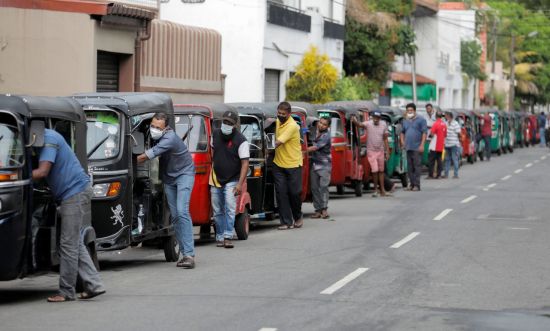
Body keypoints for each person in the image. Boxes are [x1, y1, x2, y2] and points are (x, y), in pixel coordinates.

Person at [33, 128, 105, 302]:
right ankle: (94, 284)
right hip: (73, 192)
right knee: (74, 242)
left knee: (68, 243)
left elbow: (42, 171)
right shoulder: (45, 138)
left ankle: (66, 291)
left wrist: (16, 176)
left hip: (74, 192)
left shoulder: (49, 138)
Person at [137, 113, 196, 268]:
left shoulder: (169, 138)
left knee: (182, 212)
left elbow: (145, 157)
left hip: (184, 174)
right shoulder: (151, 134)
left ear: (166, 128)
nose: (154, 129)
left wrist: (124, 162)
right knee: (175, 216)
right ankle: (185, 254)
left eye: (158, 128)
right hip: (169, 178)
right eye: (153, 126)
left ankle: (189, 254)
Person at [210, 110, 249, 248]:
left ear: (234, 125)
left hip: (233, 179)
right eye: (225, 121)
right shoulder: (214, 134)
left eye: (229, 123)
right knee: (217, 210)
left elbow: (245, 163)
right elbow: (213, 153)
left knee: (230, 208)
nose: (226, 124)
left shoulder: (241, 140)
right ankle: (219, 236)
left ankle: (227, 236)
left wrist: (240, 184)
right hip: (215, 178)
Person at [272, 102, 303, 230]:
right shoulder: (278, 121)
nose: (280, 116)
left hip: (293, 164)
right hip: (278, 163)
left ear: (289, 114)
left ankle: (298, 217)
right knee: (281, 193)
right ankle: (286, 222)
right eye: (278, 113)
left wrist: (267, 146)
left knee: (294, 193)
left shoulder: (292, 126)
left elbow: (278, 142)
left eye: (283, 114)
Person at [352, 111, 391, 197]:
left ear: (380, 118)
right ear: (372, 117)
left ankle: (382, 190)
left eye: (377, 118)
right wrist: (354, 120)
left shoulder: (383, 124)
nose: (376, 119)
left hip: (380, 151)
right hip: (371, 151)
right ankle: (375, 190)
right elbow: (359, 125)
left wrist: (387, 152)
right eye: (374, 117)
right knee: (375, 170)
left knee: (381, 171)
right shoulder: (368, 124)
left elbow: (385, 139)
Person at [307, 117, 332, 219]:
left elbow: (315, 147)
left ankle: (324, 209)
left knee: (323, 187)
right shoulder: (313, 131)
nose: (321, 125)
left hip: (324, 165)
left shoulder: (326, 136)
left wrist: (301, 151)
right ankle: (317, 210)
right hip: (314, 164)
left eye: (324, 124)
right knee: (314, 188)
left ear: (328, 126)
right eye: (320, 123)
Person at [401, 103, 427, 191]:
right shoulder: (405, 120)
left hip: (417, 147)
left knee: (417, 166)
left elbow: (424, 133)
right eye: (408, 110)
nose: (409, 112)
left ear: (415, 111)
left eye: (411, 110)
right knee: (409, 167)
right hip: (408, 147)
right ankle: (411, 184)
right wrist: (402, 142)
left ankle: (417, 185)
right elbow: (402, 132)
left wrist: (422, 145)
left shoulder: (421, 120)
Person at [427, 111, 447, 179]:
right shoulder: (444, 124)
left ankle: (430, 175)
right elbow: (445, 135)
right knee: (439, 160)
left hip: (434, 145)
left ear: (435, 116)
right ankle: (439, 175)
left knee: (431, 161)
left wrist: (429, 136)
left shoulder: (435, 124)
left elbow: (432, 134)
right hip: (441, 145)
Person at [443, 112, 462, 179]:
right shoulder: (445, 123)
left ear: (449, 116)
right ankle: (446, 174)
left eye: (446, 115)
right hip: (447, 144)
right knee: (447, 160)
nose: (445, 116)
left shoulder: (455, 123)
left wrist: (459, 141)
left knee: (454, 159)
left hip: (454, 144)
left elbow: (459, 133)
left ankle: (456, 174)